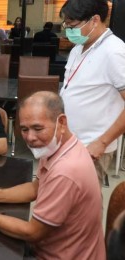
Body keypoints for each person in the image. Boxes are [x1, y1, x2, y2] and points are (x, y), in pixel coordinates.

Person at [0, 91, 105, 259]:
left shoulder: (66, 171)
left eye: (38, 128)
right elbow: (35, 188)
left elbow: (33, 233)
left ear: (61, 122)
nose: (30, 138)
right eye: (24, 129)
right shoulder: (57, 146)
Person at [59, 0, 125, 187]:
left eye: (72, 25)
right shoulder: (78, 48)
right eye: (66, 24)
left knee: (82, 209)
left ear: (95, 20)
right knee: (64, 205)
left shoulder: (114, 51)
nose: (68, 30)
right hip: (69, 142)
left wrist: (102, 143)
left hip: (92, 147)